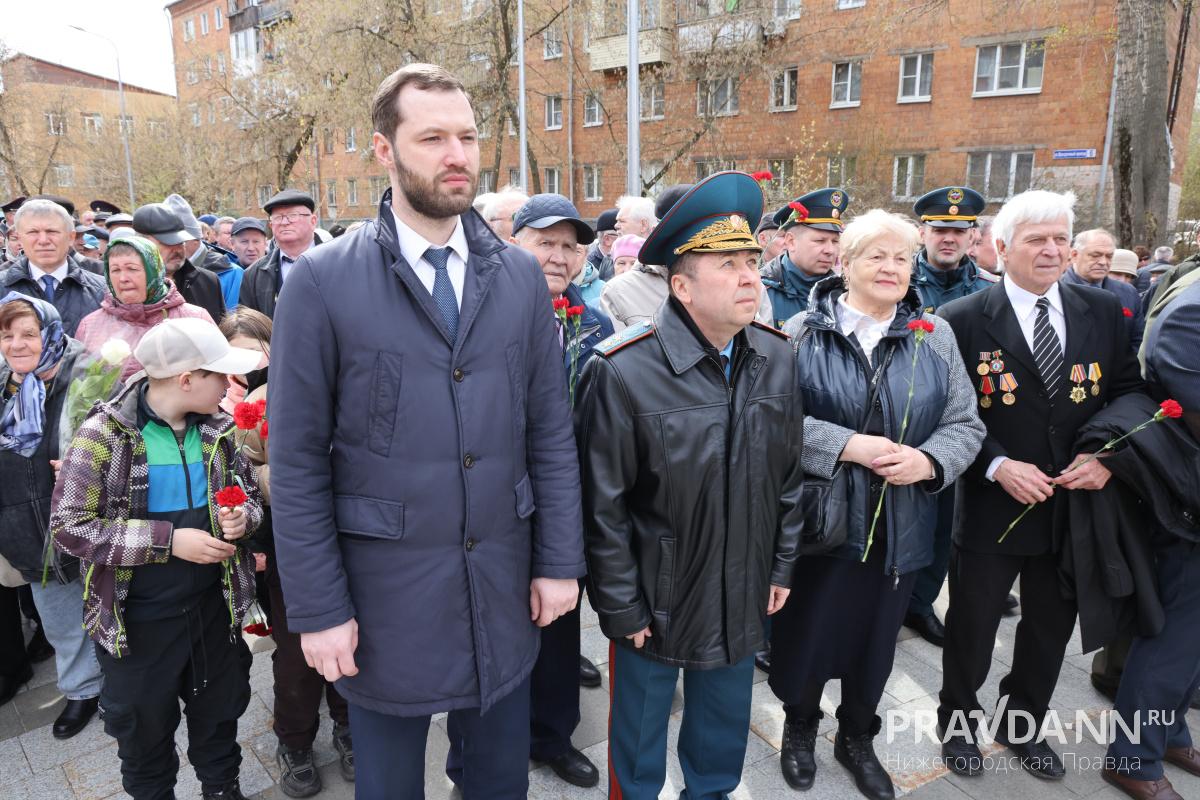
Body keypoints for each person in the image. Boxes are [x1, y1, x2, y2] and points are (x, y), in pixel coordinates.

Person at [268, 63, 584, 800]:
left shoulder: (515, 277)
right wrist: (319, 612)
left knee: (500, 780)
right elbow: (299, 460)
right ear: (384, 151)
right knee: (388, 785)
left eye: (468, 136)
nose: (457, 155)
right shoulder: (321, 282)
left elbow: (549, 434)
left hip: (502, 585)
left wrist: (559, 561)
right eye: (433, 137)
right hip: (383, 598)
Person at [576, 170, 802, 800]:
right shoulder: (623, 371)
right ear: (680, 284)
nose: (750, 276)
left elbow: (787, 477)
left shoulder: (777, 354)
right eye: (726, 264)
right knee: (639, 745)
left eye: (752, 260)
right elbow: (603, 508)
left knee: (720, 737)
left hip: (742, 586)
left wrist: (779, 567)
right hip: (657, 598)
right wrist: (621, 606)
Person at [773, 211, 985, 800]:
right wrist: (845, 445)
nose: (891, 268)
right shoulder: (798, 332)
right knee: (809, 632)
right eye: (877, 256)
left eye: (902, 258)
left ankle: (857, 736)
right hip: (822, 521)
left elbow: (965, 423)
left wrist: (929, 462)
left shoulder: (933, 334)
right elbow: (772, 421)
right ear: (846, 263)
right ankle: (800, 726)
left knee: (876, 640)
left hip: (901, 521)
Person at [935, 190, 1144, 781]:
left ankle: (1021, 719)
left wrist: (1106, 455)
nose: (1052, 250)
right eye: (1036, 240)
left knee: (1049, 628)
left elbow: (1129, 391)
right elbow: (950, 414)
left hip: (1072, 505)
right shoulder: (963, 319)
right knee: (972, 627)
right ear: (1001, 248)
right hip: (992, 506)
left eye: (1060, 239)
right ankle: (959, 722)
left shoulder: (1102, 312)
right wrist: (998, 465)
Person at [51, 318, 264, 800]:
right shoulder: (103, 436)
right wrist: (168, 540)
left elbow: (250, 497)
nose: (232, 386)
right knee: (143, 733)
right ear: (187, 380)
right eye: (220, 375)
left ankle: (222, 788)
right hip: (139, 623)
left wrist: (242, 519)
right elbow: (69, 527)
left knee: (219, 716)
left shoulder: (220, 429)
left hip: (213, 611)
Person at [468, 193, 613, 789]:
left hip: (563, 505)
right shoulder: (479, 314)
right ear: (512, 245)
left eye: (568, 246)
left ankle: (552, 735)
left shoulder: (596, 325)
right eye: (543, 243)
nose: (556, 256)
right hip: (492, 507)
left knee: (556, 628)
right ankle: (485, 741)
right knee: (493, 627)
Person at [217, 308, 354, 797]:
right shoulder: (257, 403)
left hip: (354, 540)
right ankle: (295, 741)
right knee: (296, 652)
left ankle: (347, 723)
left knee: (355, 639)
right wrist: (287, 484)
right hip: (289, 544)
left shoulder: (347, 385)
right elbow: (240, 474)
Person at [1099, 279, 1200, 800]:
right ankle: (1133, 758)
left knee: (1192, 642)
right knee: (1174, 635)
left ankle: (1169, 732)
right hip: (1188, 496)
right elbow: (1190, 399)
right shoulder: (1193, 309)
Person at [0, 294, 104, 739]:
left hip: (85, 518)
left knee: (112, 604)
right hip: (23, 524)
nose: (17, 344)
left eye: (29, 333)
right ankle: (82, 690)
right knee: (59, 618)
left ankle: (126, 685)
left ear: (52, 331)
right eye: (7, 334)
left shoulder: (88, 375)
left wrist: (89, 457)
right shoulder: (4, 384)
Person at [903, 186, 993, 648]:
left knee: (945, 526)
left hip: (959, 426)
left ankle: (920, 604)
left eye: (959, 231)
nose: (949, 239)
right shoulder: (899, 279)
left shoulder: (986, 291)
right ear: (923, 232)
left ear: (973, 237)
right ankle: (888, 600)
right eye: (940, 230)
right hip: (902, 422)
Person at [74, 236, 214, 380]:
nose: (123, 278)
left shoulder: (195, 318)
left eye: (132, 269)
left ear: (153, 270)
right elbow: (78, 383)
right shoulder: (90, 325)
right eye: (115, 270)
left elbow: (217, 379)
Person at [0, 198, 107, 336]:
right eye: (33, 232)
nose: (43, 240)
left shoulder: (102, 291)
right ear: (19, 238)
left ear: (71, 237)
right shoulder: (3, 287)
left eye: (52, 231)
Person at [760, 187, 849, 327]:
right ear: (791, 242)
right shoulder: (761, 291)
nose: (830, 250)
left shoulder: (844, 294)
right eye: (820, 241)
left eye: (835, 241)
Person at [132, 203, 226, 323]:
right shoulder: (127, 285)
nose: (177, 249)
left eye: (180, 241)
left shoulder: (208, 281)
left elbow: (220, 334)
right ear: (141, 244)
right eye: (168, 242)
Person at [240, 190, 321, 319]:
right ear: (271, 226)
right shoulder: (253, 275)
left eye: (293, 215)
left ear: (313, 221)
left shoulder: (338, 264)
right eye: (278, 217)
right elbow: (249, 328)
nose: (284, 222)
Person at [1061, 229, 1144, 352]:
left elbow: (1137, 340)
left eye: (1109, 256)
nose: (1103, 262)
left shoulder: (1128, 293)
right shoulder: (1052, 291)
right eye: (1095, 255)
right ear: (1074, 255)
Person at [165, 194, 244, 312]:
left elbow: (233, 325)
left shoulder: (231, 272)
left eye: (175, 239)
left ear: (194, 238)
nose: (171, 246)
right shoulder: (161, 272)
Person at [588, 208, 618, 280]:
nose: (627, 240)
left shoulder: (624, 259)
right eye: (621, 235)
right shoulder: (589, 268)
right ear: (607, 239)